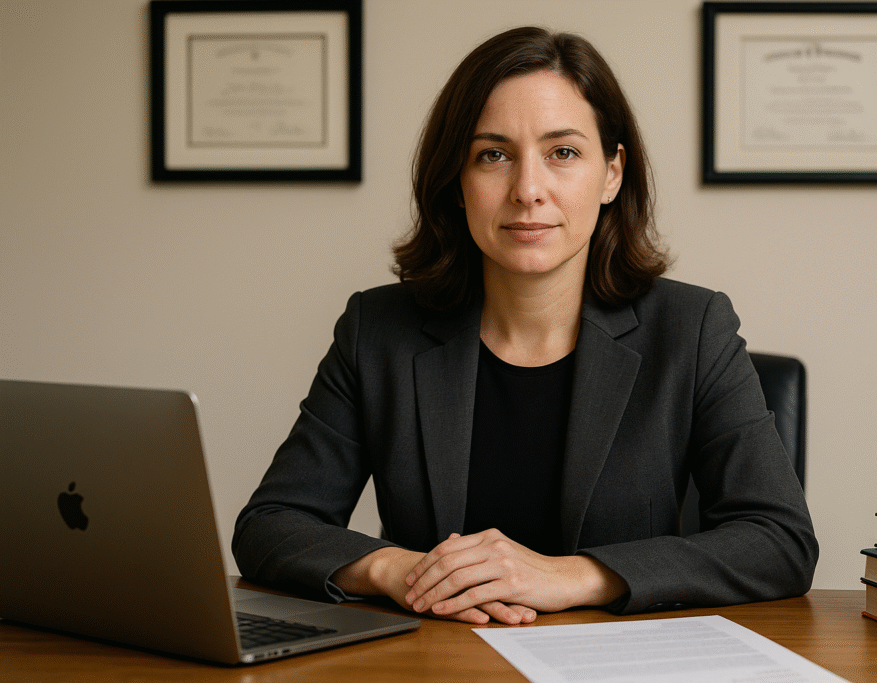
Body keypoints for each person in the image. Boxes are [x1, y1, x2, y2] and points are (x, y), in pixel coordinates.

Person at [233, 26, 817, 626]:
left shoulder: (692, 329)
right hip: (438, 656)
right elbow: (270, 525)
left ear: (612, 173)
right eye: (493, 155)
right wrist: (400, 570)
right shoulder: (378, 331)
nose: (528, 190)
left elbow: (780, 541)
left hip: (615, 661)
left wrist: (571, 576)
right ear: (457, 181)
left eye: (563, 152)